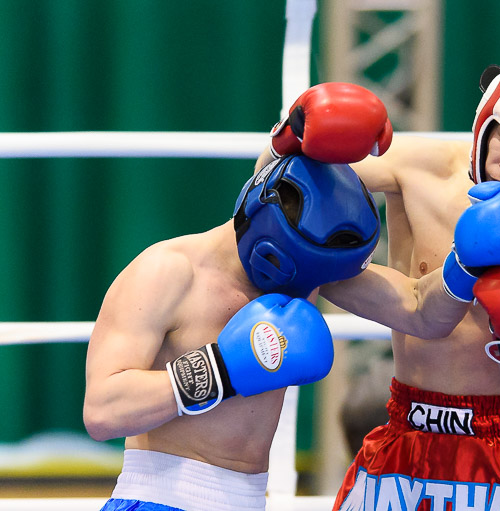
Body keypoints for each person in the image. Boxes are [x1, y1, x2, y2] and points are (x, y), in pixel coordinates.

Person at [267, 48, 500, 511]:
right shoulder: (421, 167)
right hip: (407, 427)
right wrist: (289, 137)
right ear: (487, 121)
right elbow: (269, 199)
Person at [82, 82, 465, 511]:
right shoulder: (167, 272)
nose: (309, 290)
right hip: (159, 498)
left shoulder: (309, 267)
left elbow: (421, 312)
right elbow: (103, 411)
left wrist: (467, 263)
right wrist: (221, 369)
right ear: (269, 251)